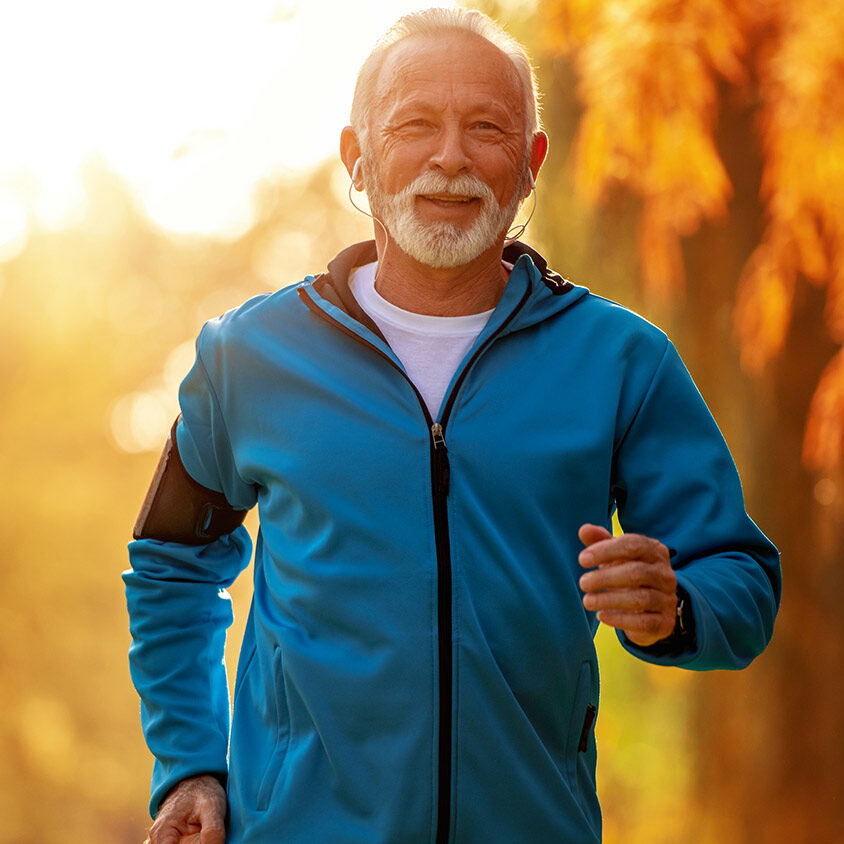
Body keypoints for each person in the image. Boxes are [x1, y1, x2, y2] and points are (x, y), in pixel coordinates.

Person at [123, 8, 781, 844]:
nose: (450, 157)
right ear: (357, 159)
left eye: (487, 128)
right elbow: (171, 563)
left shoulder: (622, 361)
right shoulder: (246, 358)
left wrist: (676, 607)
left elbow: (743, 575)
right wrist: (190, 762)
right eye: (414, 126)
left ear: (532, 165)